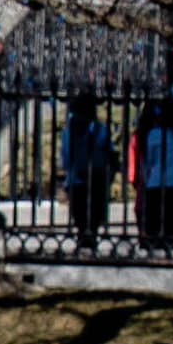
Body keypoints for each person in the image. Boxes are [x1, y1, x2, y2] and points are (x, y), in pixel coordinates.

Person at [131, 88, 173, 266]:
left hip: (156, 185)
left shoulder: (154, 134)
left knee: (158, 229)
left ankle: (156, 260)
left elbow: (147, 163)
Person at [61, 84, 114, 260]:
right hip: (96, 178)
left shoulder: (70, 130)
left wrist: (69, 174)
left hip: (77, 179)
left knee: (80, 217)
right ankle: (91, 240)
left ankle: (83, 240)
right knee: (94, 215)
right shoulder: (99, 129)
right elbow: (109, 152)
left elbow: (66, 155)